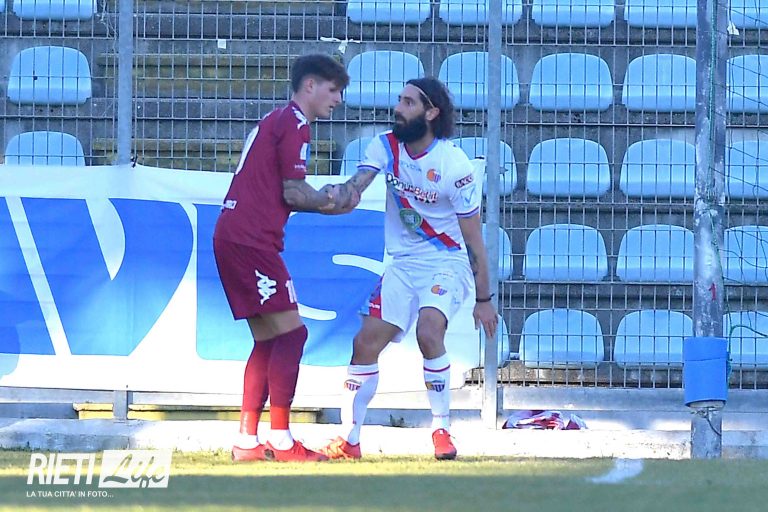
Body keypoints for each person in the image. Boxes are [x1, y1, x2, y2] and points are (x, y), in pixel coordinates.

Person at [320, 77, 498, 461]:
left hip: (447, 261)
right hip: (403, 263)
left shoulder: (454, 165)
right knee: (365, 343)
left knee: (429, 331)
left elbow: (473, 239)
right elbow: (357, 185)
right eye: (399, 100)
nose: (398, 109)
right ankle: (350, 438)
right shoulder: (385, 146)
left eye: (408, 103)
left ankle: (441, 430)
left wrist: (484, 299)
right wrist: (333, 197)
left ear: (431, 113)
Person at [213, 53, 359, 463]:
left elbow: (285, 191)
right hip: (251, 240)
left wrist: (323, 200)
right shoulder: (295, 124)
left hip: (235, 234)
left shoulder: (274, 119)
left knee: (270, 338)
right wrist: (329, 200)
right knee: (293, 335)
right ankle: (280, 439)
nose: (338, 100)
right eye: (333, 90)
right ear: (309, 85)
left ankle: (247, 441)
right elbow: (293, 192)